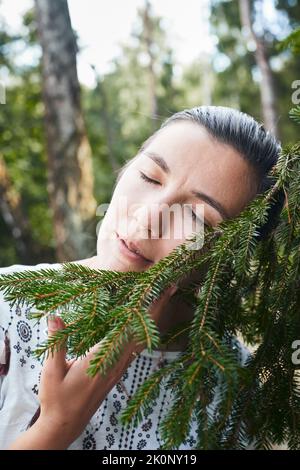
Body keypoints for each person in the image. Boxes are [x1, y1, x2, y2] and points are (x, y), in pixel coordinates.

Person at [0, 106, 284, 450]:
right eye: (149, 177)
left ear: (229, 257)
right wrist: (55, 429)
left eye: (196, 216)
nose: (148, 217)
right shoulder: (7, 310)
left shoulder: (239, 396)